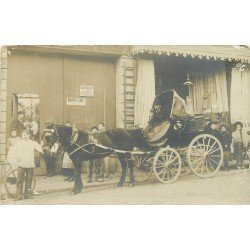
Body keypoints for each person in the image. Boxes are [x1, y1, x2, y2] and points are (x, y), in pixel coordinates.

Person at [11, 130, 43, 200]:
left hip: (30, 165)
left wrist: (42, 147)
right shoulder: (18, 143)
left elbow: (40, 148)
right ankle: (18, 195)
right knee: (19, 180)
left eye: (26, 135)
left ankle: (27, 195)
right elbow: (13, 151)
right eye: (23, 135)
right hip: (21, 164)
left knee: (29, 180)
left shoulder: (33, 143)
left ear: (29, 136)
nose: (25, 136)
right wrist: (16, 157)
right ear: (22, 136)